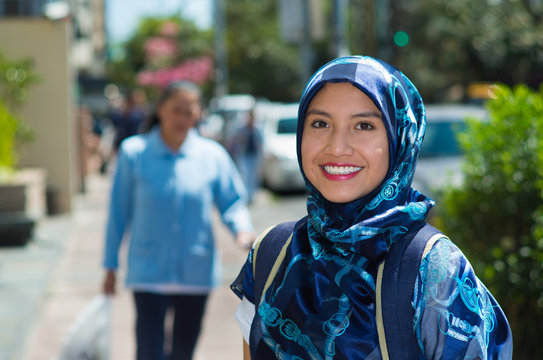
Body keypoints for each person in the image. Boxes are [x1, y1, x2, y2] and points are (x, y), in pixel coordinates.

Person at [230, 56, 513, 359]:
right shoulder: (272, 254)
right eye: (320, 123)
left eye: (363, 125)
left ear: (399, 138)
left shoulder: (434, 269)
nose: (337, 147)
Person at [102, 81, 255, 360]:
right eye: (176, 110)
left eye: (189, 112)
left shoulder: (212, 155)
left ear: (197, 114)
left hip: (195, 273)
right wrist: (110, 265)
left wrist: (242, 231)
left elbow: (232, 203)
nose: (183, 119)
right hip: (148, 273)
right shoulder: (133, 153)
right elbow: (118, 213)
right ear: (160, 109)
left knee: (183, 353)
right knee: (149, 352)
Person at [227, 109, 263, 203]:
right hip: (244, 154)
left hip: (254, 155)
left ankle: (251, 195)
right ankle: (246, 195)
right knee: (245, 175)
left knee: (253, 176)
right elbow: (235, 138)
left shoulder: (257, 128)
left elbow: (261, 142)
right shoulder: (242, 128)